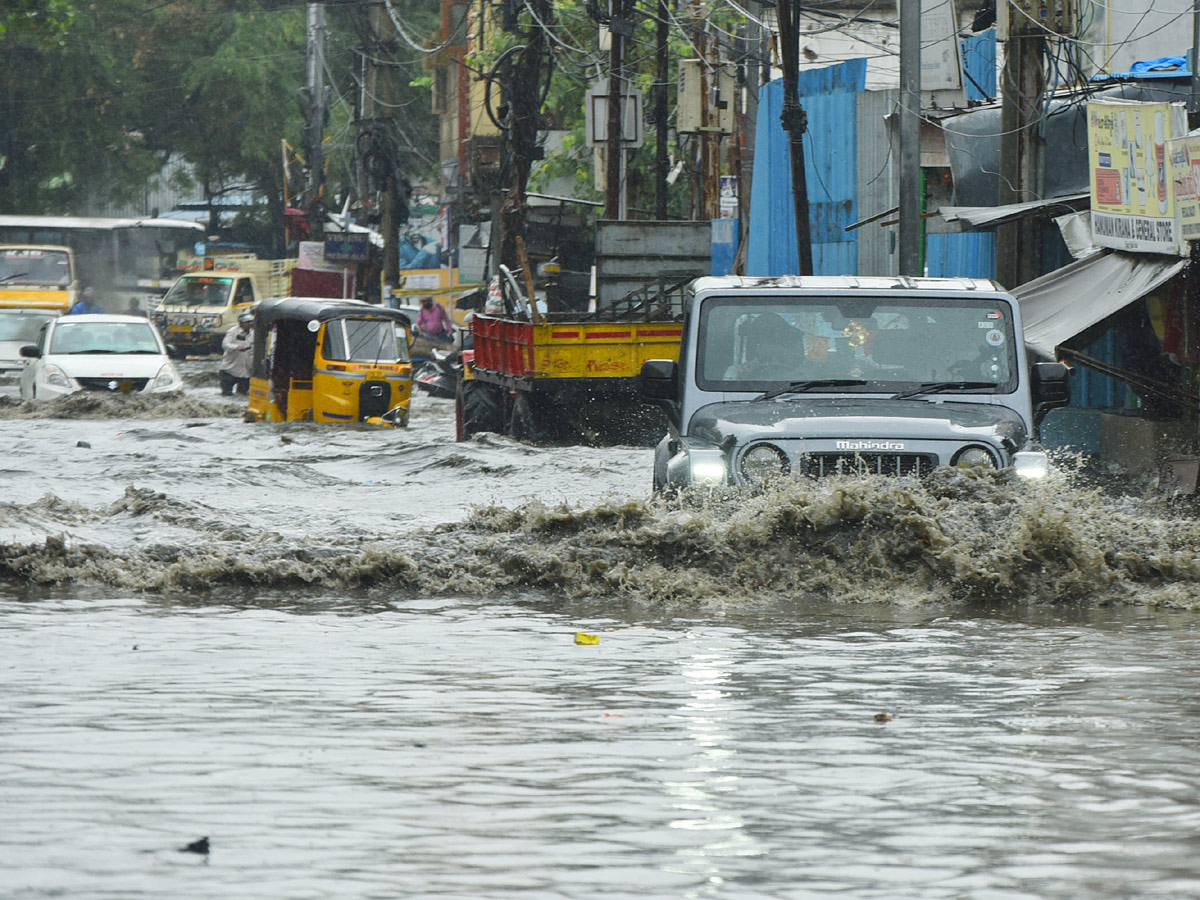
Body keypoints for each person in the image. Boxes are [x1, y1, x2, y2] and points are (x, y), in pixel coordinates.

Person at [219, 311, 255, 396]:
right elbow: (225, 345)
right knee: (227, 394)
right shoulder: (232, 332)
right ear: (241, 323)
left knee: (243, 394)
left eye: (251, 322)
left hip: (246, 371)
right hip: (230, 369)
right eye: (247, 322)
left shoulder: (254, 333)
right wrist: (237, 347)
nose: (250, 324)